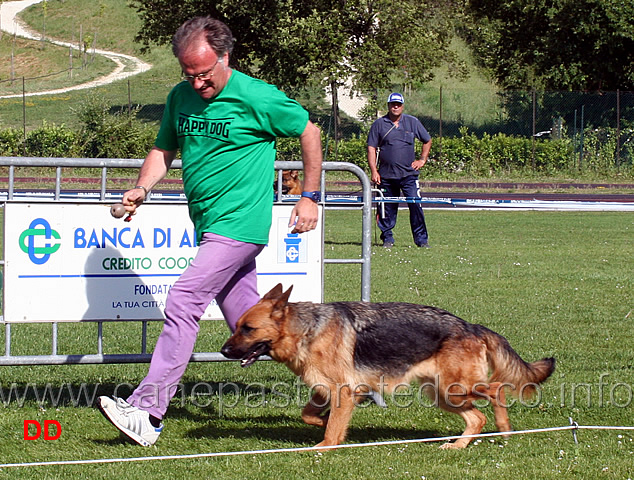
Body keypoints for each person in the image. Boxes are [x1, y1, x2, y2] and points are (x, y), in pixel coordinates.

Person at [97, 16, 323, 447]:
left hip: (240, 225)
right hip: (208, 225)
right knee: (253, 325)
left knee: (183, 300)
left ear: (225, 57)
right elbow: (164, 148)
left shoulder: (257, 96)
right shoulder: (179, 97)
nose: (199, 82)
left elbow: (308, 132)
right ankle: (335, 383)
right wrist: (141, 188)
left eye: (205, 73)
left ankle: (148, 411)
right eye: (189, 74)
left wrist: (309, 195)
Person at [367, 92, 432, 248]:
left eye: (398, 104)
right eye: (392, 104)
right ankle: (387, 238)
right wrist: (374, 171)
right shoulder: (379, 124)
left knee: (415, 205)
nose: (395, 107)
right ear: (388, 105)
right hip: (386, 176)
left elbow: (427, 140)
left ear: (402, 106)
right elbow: (371, 148)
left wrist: (422, 159)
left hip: (409, 175)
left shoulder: (412, 122)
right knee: (386, 208)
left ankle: (421, 240)